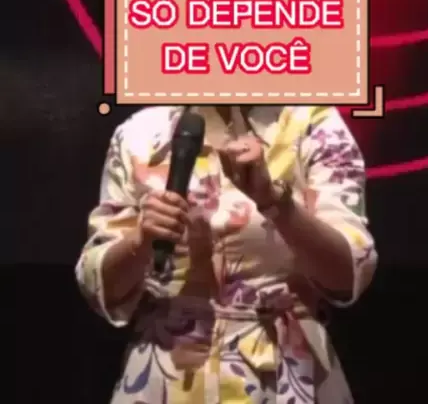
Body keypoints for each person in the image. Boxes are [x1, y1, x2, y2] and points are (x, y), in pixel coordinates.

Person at [75, 105, 377, 403]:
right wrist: (141, 240)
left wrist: (276, 203)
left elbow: (348, 275)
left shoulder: (313, 123)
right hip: (164, 379)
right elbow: (98, 286)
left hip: (285, 374)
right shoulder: (138, 134)